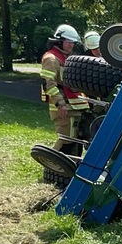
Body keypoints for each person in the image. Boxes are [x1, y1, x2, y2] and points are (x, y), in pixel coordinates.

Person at [40, 24, 89, 156]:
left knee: (75, 139)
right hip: (62, 107)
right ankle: (51, 164)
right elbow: (48, 84)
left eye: (73, 42)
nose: (71, 45)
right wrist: (60, 104)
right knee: (66, 139)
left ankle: (70, 167)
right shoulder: (51, 58)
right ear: (60, 41)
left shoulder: (69, 58)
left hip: (75, 106)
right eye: (68, 42)